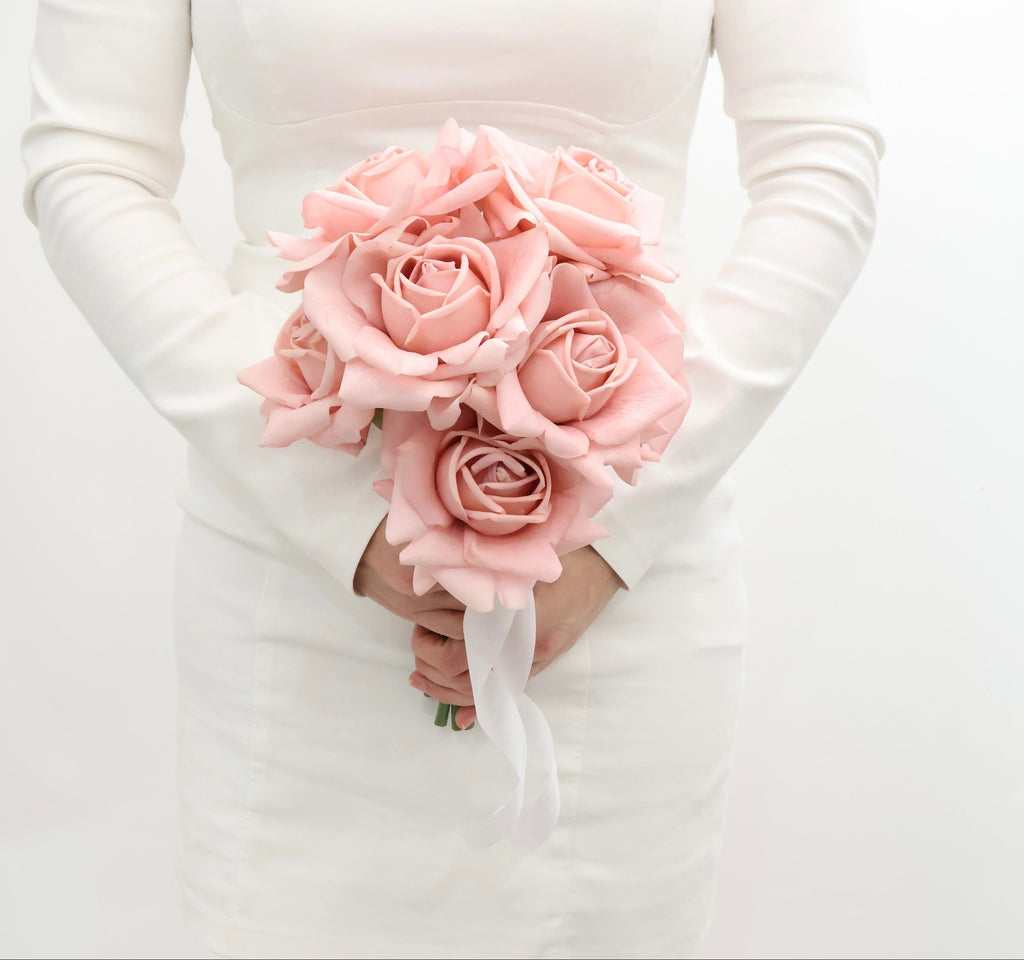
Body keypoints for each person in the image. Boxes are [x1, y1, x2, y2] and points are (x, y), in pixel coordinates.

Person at [22, 1, 883, 957]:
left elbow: (824, 162)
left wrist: (610, 529)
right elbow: (90, 164)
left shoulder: (617, 542)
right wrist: (348, 529)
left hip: (619, 578)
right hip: (298, 566)